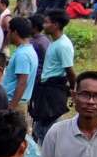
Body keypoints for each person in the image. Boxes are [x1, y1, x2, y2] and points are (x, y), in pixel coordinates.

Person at [32, 10, 76, 142]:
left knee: (50, 129)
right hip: (45, 87)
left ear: (55, 25)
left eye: (46, 23)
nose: (43, 26)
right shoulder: (54, 42)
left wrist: (74, 91)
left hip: (53, 90)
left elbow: (70, 71)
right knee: (40, 127)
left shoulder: (63, 45)